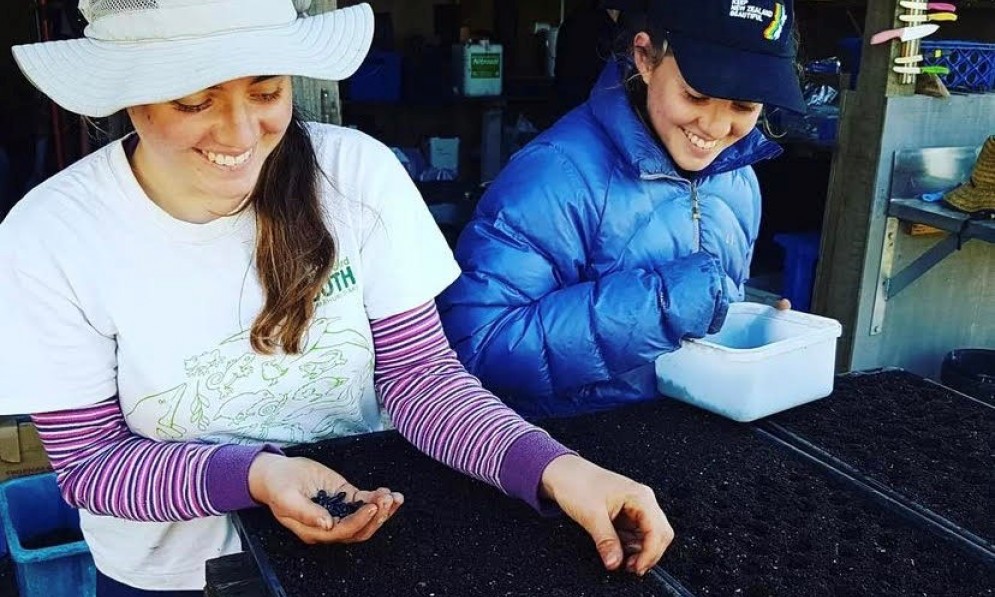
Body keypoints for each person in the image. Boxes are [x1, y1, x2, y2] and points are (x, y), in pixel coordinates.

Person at [0, 2, 673, 594]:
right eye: (193, 101)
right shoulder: (51, 236)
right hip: (172, 574)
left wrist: (556, 468)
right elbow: (92, 464)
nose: (239, 136)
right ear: (129, 95)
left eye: (266, 91)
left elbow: (420, 378)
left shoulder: (356, 175)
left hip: (369, 539)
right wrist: (260, 475)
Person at [438, 0, 804, 419]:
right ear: (645, 57)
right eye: (696, 95)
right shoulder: (555, 175)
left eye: (744, 106)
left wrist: (747, 328)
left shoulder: (738, 178)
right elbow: (478, 347)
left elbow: (710, 307)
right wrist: (663, 305)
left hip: (689, 436)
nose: (717, 128)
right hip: (573, 453)